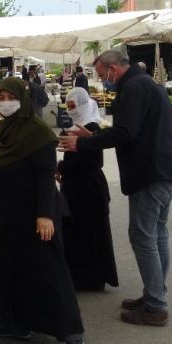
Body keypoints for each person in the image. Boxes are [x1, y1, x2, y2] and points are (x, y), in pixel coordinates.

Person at [58, 50, 172, 327]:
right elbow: (132, 130)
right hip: (165, 169)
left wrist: (83, 143)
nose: (103, 81)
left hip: (150, 173)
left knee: (143, 236)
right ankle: (154, 295)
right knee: (157, 235)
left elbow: (125, 132)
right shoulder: (146, 83)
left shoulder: (134, 88)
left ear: (113, 69)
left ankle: (156, 305)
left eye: (103, 75)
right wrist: (93, 135)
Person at [0, 77, 85, 344]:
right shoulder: (2, 131)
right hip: (6, 215)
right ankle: (15, 322)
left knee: (48, 271)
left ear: (23, 98)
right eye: (0, 95)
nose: (4, 100)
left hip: (36, 215)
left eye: (10, 95)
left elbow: (45, 178)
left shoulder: (38, 133)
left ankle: (71, 334)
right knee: (9, 267)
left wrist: (45, 215)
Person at [58, 88, 118, 291]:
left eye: (74, 106)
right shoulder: (79, 126)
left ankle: (91, 279)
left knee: (91, 235)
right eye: (68, 106)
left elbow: (85, 161)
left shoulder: (92, 127)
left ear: (83, 104)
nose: (71, 110)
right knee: (78, 235)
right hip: (76, 187)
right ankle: (80, 278)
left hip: (88, 188)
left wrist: (59, 168)